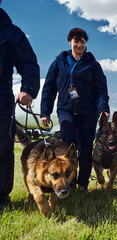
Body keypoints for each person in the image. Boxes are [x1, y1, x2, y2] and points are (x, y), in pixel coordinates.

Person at [41, 28, 110, 192]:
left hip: (88, 112)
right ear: (70, 42)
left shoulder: (93, 65)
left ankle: (83, 184)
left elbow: (101, 88)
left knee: (85, 149)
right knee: (67, 149)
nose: (79, 45)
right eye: (76, 41)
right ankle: (68, 183)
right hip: (66, 110)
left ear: (86, 44)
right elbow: (49, 88)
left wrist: (103, 108)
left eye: (82, 42)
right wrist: (45, 111)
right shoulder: (59, 62)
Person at [0, 2, 40, 209]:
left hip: (1, 97)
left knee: (2, 149)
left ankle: (0, 200)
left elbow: (28, 63)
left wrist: (29, 89)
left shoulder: (12, 32)